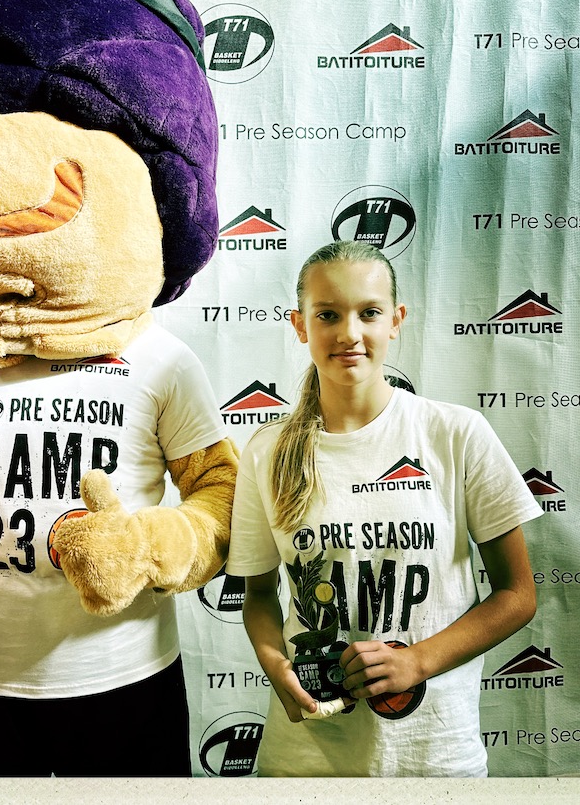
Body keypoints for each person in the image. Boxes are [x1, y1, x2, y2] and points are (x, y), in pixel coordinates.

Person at [226, 240, 542, 777]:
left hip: (434, 754)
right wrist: (274, 663)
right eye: (328, 315)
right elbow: (257, 595)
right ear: (300, 326)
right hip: (306, 756)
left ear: (395, 321)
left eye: (369, 313)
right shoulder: (267, 451)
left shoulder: (456, 434)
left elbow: (517, 596)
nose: (349, 333)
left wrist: (416, 661)